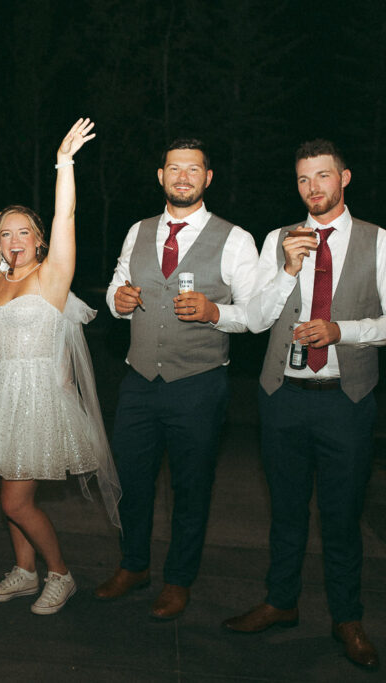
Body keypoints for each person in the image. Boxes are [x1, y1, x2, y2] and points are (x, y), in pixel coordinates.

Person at [223, 140, 386, 670]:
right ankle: (280, 603)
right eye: (304, 179)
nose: (313, 188)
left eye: (323, 176)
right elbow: (257, 318)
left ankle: (347, 618)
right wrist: (285, 270)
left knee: (341, 516)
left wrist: (341, 330)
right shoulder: (277, 240)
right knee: (284, 512)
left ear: (344, 178)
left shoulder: (379, 242)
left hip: (346, 402)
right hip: (283, 397)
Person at [0, 119, 119, 615]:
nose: (13, 239)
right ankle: (24, 572)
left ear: (40, 239)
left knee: (14, 502)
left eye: (24, 231)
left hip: (37, 398)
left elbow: (66, 213)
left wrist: (64, 162)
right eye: (5, 234)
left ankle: (60, 575)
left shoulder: (52, 277)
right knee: (8, 487)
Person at [95, 139, 258, 620]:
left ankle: (179, 579)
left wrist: (214, 312)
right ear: (160, 176)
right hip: (139, 381)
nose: (182, 177)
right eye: (174, 168)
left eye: (193, 169)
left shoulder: (235, 239)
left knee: (191, 486)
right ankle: (133, 565)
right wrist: (117, 302)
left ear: (208, 178)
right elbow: (116, 285)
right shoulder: (139, 231)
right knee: (132, 480)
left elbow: (255, 314)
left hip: (198, 383)